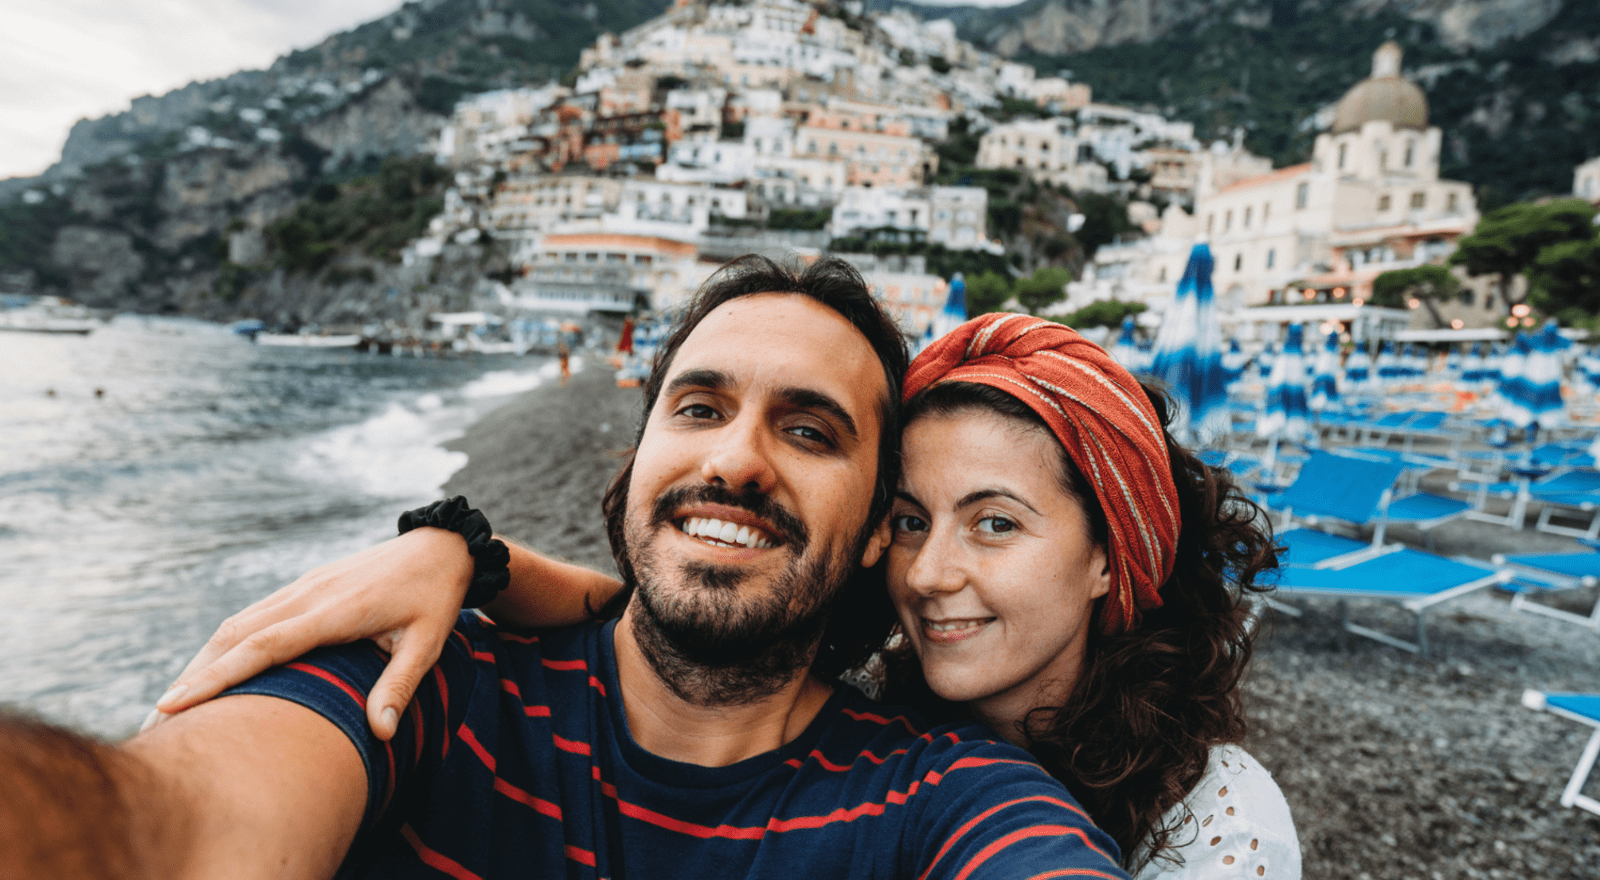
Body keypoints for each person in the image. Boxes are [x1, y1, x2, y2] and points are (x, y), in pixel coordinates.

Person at [8, 257, 1127, 880]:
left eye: (809, 430)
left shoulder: (941, 798)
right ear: (638, 456)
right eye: (698, 407)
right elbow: (166, 821)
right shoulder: (424, 681)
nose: (733, 459)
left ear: (881, 524)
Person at [156, 310, 1299, 877]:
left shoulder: (1192, 811)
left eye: (995, 523)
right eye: (910, 521)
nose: (934, 572)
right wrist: (467, 551)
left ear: (1111, 558)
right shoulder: (424, 686)